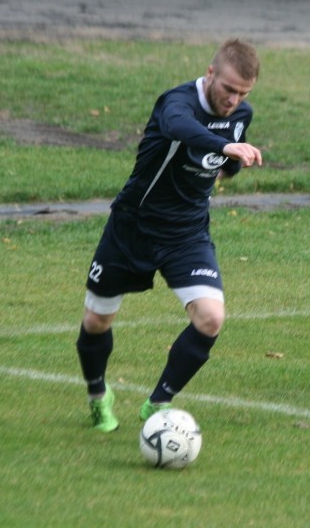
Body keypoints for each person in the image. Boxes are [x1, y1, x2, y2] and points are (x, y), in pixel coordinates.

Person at [76, 38, 263, 432]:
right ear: (210, 73)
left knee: (211, 318)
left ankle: (158, 402)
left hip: (187, 234)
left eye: (242, 93)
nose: (233, 100)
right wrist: (225, 144)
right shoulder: (176, 102)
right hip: (133, 227)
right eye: (228, 88)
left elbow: (226, 166)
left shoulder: (241, 114)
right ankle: (98, 394)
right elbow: (181, 128)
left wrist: (228, 160)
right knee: (96, 321)